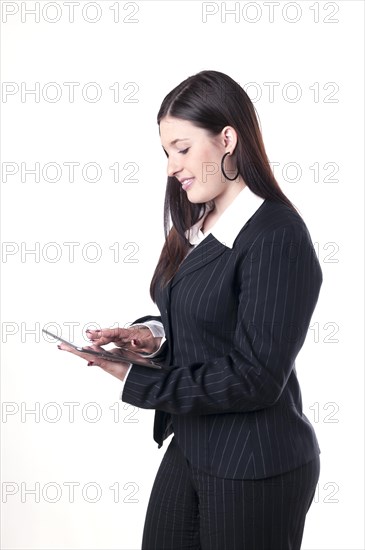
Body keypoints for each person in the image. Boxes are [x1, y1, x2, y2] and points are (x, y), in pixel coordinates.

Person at [59, 70, 323, 550]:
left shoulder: (276, 236)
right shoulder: (199, 222)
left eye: (181, 149)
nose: (170, 167)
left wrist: (133, 378)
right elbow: (197, 317)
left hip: (254, 463)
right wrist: (151, 337)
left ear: (227, 139)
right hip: (194, 443)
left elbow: (257, 376)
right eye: (166, 152)